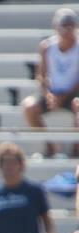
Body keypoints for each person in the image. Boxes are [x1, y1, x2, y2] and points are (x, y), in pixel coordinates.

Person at [21, 8, 79, 157]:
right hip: (53, 93)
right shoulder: (47, 47)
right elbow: (41, 76)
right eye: (63, 25)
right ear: (56, 27)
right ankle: (49, 147)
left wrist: (64, 97)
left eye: (70, 25)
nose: (67, 29)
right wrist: (48, 95)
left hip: (73, 93)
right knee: (29, 107)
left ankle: (75, 149)